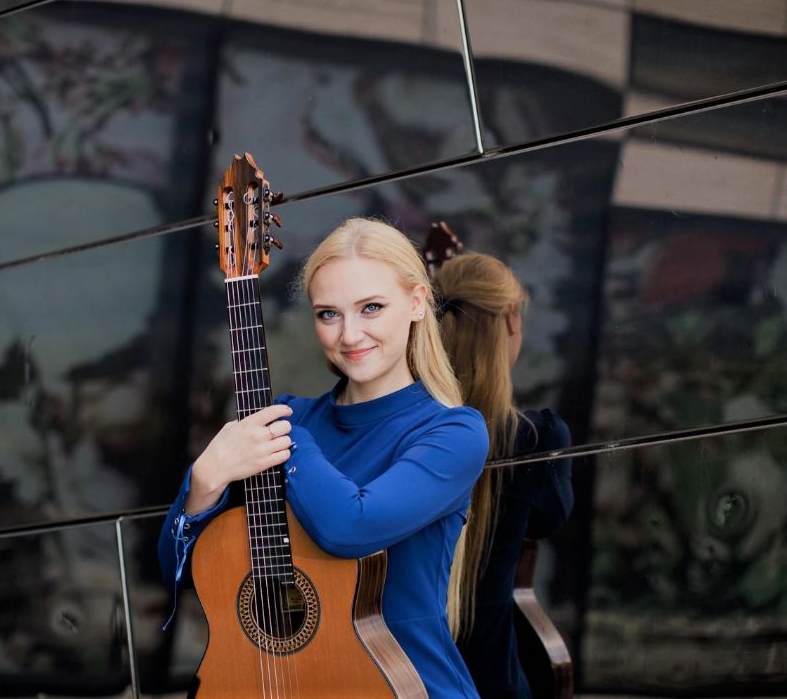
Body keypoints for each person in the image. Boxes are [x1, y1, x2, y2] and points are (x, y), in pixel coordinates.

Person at [158, 217, 489, 697]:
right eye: (328, 314)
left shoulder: (452, 432)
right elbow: (179, 572)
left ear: (417, 303)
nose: (349, 334)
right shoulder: (289, 422)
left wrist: (288, 431)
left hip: (400, 686)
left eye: (370, 308)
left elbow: (349, 528)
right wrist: (203, 485)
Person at [434, 253, 574, 699]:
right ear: (511, 320)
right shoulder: (536, 439)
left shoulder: (405, 430)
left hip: (400, 675)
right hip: (491, 683)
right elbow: (549, 519)